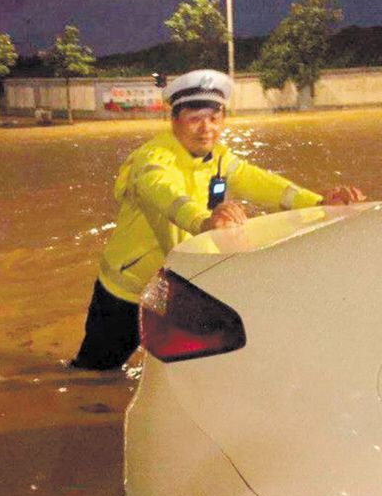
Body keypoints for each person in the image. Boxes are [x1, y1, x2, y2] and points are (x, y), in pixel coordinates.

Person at [70, 69, 366, 372]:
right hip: (127, 293)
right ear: (174, 120)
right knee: (94, 373)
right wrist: (205, 222)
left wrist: (318, 202)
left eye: (214, 118)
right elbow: (166, 195)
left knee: (182, 374)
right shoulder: (153, 159)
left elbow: (262, 183)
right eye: (195, 118)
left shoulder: (220, 159)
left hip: (177, 287)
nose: (206, 129)